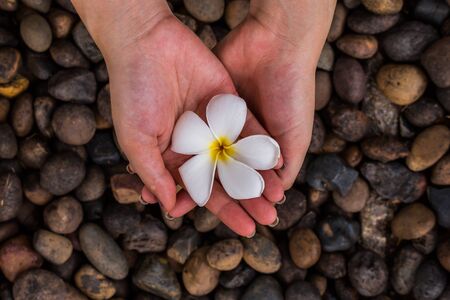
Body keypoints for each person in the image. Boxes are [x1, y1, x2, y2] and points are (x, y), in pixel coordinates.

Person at [71, 0, 336, 237]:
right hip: (216, 146)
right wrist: (135, 27)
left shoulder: (210, 130)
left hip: (217, 146)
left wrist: (287, 34)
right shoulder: (207, 129)